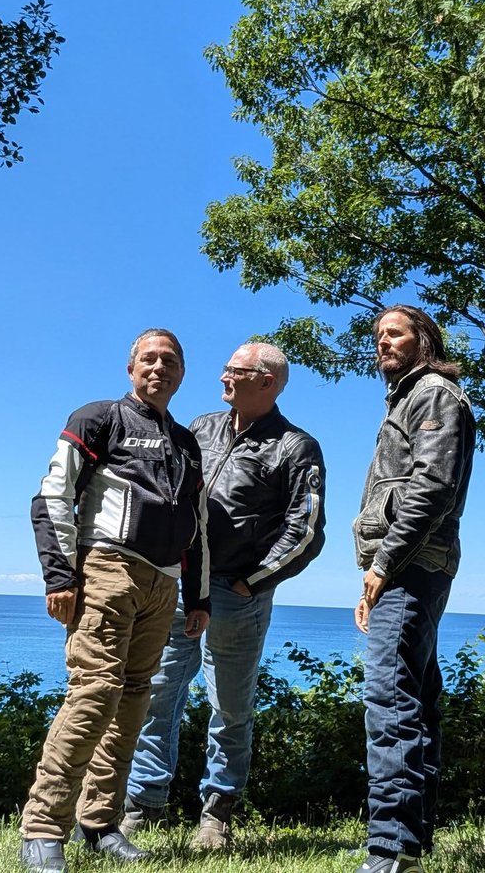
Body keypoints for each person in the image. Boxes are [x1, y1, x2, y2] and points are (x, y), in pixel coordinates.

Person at [19, 329, 210, 873]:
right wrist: (60, 577)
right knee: (95, 693)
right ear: (131, 369)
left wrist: (196, 594)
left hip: (162, 583)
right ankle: (42, 829)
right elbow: (51, 495)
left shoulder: (186, 442)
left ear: (181, 373)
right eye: (149, 359)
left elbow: (196, 525)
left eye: (170, 360)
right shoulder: (98, 417)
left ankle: (100, 822)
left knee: (132, 702)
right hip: (106, 569)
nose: (159, 367)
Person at [123, 342, 326, 850]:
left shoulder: (295, 446)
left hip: (239, 594)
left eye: (234, 370)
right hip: (182, 583)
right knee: (158, 693)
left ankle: (215, 815)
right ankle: (142, 805)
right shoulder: (203, 427)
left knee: (230, 706)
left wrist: (251, 581)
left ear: (267, 382)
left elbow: (306, 528)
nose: (223, 377)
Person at [352, 306, 475, 873]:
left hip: (411, 564)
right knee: (417, 699)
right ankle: (411, 843)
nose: (383, 342)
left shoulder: (434, 394)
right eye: (378, 336)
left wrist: (382, 565)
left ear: (423, 339)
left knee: (388, 698)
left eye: (394, 333)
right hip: (411, 563)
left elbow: (431, 490)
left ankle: (389, 849)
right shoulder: (407, 399)